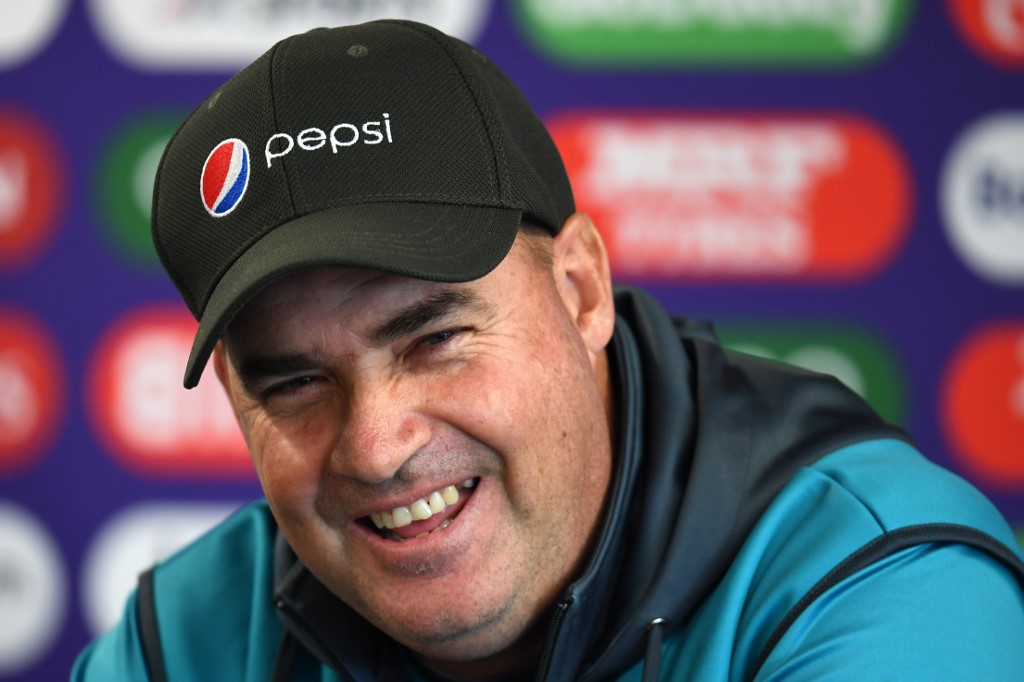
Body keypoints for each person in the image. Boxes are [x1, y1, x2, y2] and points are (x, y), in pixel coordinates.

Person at [73, 19, 1024, 682]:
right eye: (295, 382)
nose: (375, 446)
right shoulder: (186, 639)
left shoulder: (878, 584)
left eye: (435, 338)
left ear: (581, 291)